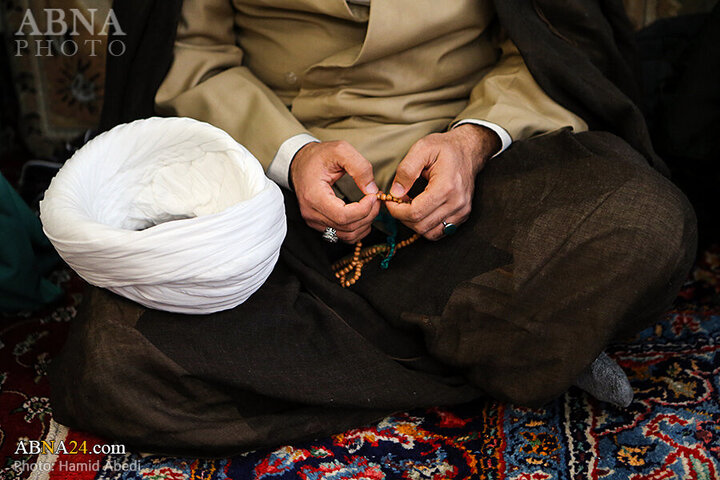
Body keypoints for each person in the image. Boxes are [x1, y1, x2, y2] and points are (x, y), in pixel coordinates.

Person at [48, 0, 697, 456]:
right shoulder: (279, 168)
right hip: (279, 198)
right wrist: (293, 153)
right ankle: (504, 345)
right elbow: (191, 59)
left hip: (480, 180)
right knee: (111, 366)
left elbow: (549, 46)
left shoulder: (477, 150)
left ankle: (380, 343)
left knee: (646, 224)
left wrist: (475, 139)